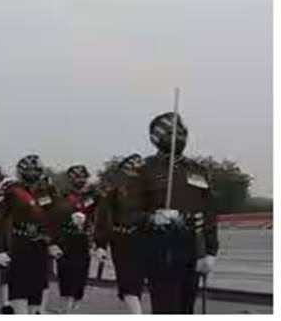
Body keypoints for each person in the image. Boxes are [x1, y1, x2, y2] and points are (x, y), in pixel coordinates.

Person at [133, 113, 218, 314]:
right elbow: (127, 213)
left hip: (193, 250)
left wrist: (211, 251)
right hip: (160, 252)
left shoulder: (198, 170)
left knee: (187, 309)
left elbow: (209, 213)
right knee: (166, 308)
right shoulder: (144, 170)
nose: (179, 137)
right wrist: (152, 217)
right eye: (172, 133)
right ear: (156, 137)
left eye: (182, 132)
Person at [1, 154, 59, 315]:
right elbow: (0, 219)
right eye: (29, 170)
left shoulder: (47, 190)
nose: (33, 173)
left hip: (40, 242)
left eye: (36, 170)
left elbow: (53, 216)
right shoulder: (13, 191)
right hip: (19, 240)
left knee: (37, 284)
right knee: (19, 284)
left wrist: (53, 241)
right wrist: (1, 249)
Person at [94, 154, 147, 313]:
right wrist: (100, 245)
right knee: (128, 283)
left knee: (144, 282)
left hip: (147, 239)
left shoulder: (153, 192)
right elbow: (103, 218)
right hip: (123, 240)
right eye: (129, 168)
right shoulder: (114, 192)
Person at [54, 165, 100, 313]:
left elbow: (103, 212)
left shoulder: (94, 195)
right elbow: (54, 215)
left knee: (80, 273)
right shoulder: (62, 195)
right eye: (74, 177)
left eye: (81, 176)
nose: (78, 180)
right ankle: (65, 306)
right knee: (65, 272)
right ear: (69, 179)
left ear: (86, 177)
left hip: (83, 238)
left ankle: (75, 306)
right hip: (65, 237)